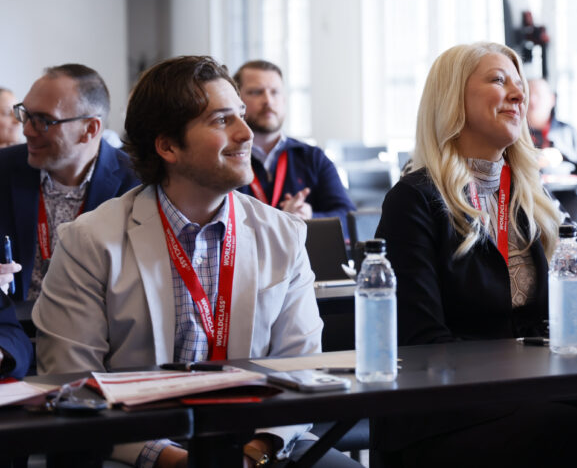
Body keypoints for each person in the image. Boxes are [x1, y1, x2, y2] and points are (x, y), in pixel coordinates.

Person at [374, 42, 577, 468]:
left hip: (531, 387)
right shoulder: (415, 199)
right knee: (575, 433)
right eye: (498, 80)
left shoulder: (532, 198)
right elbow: (422, 343)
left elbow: (556, 321)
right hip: (445, 410)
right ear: (453, 98)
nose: (519, 93)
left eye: (519, 83)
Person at [32, 56, 357, 468]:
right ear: (168, 146)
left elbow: (301, 368)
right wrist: (173, 460)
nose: (246, 132)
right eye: (222, 121)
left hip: (259, 441)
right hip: (135, 444)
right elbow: (74, 387)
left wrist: (255, 452)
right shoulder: (89, 241)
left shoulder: (283, 234)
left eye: (240, 115)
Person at [0, 64, 138, 301]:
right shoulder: (3, 168)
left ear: (90, 129)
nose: (27, 130)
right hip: (13, 326)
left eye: (44, 120)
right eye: (26, 114)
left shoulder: (136, 184)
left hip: (97, 329)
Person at [234, 60, 355, 224]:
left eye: (275, 92)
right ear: (237, 101)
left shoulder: (313, 158)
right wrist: (283, 219)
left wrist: (309, 218)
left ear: (284, 99)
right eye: (256, 92)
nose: (268, 100)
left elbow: (349, 218)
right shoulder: (226, 158)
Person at [526, 77, 577, 253]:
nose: (533, 101)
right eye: (529, 94)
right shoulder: (517, 133)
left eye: (539, 95)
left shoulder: (568, 132)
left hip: (570, 196)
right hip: (532, 198)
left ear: (551, 100)